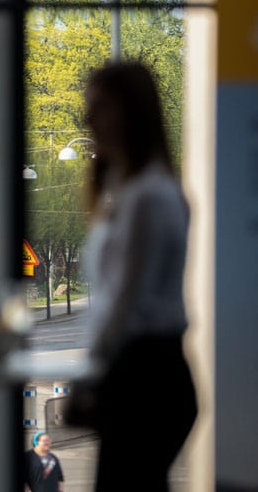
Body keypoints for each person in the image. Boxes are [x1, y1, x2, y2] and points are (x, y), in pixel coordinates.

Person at [71, 62, 198, 490]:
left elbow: (126, 302)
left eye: (100, 108)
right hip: (148, 375)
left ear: (131, 114)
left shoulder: (147, 197)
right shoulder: (136, 192)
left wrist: (91, 372)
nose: (88, 121)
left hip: (142, 378)